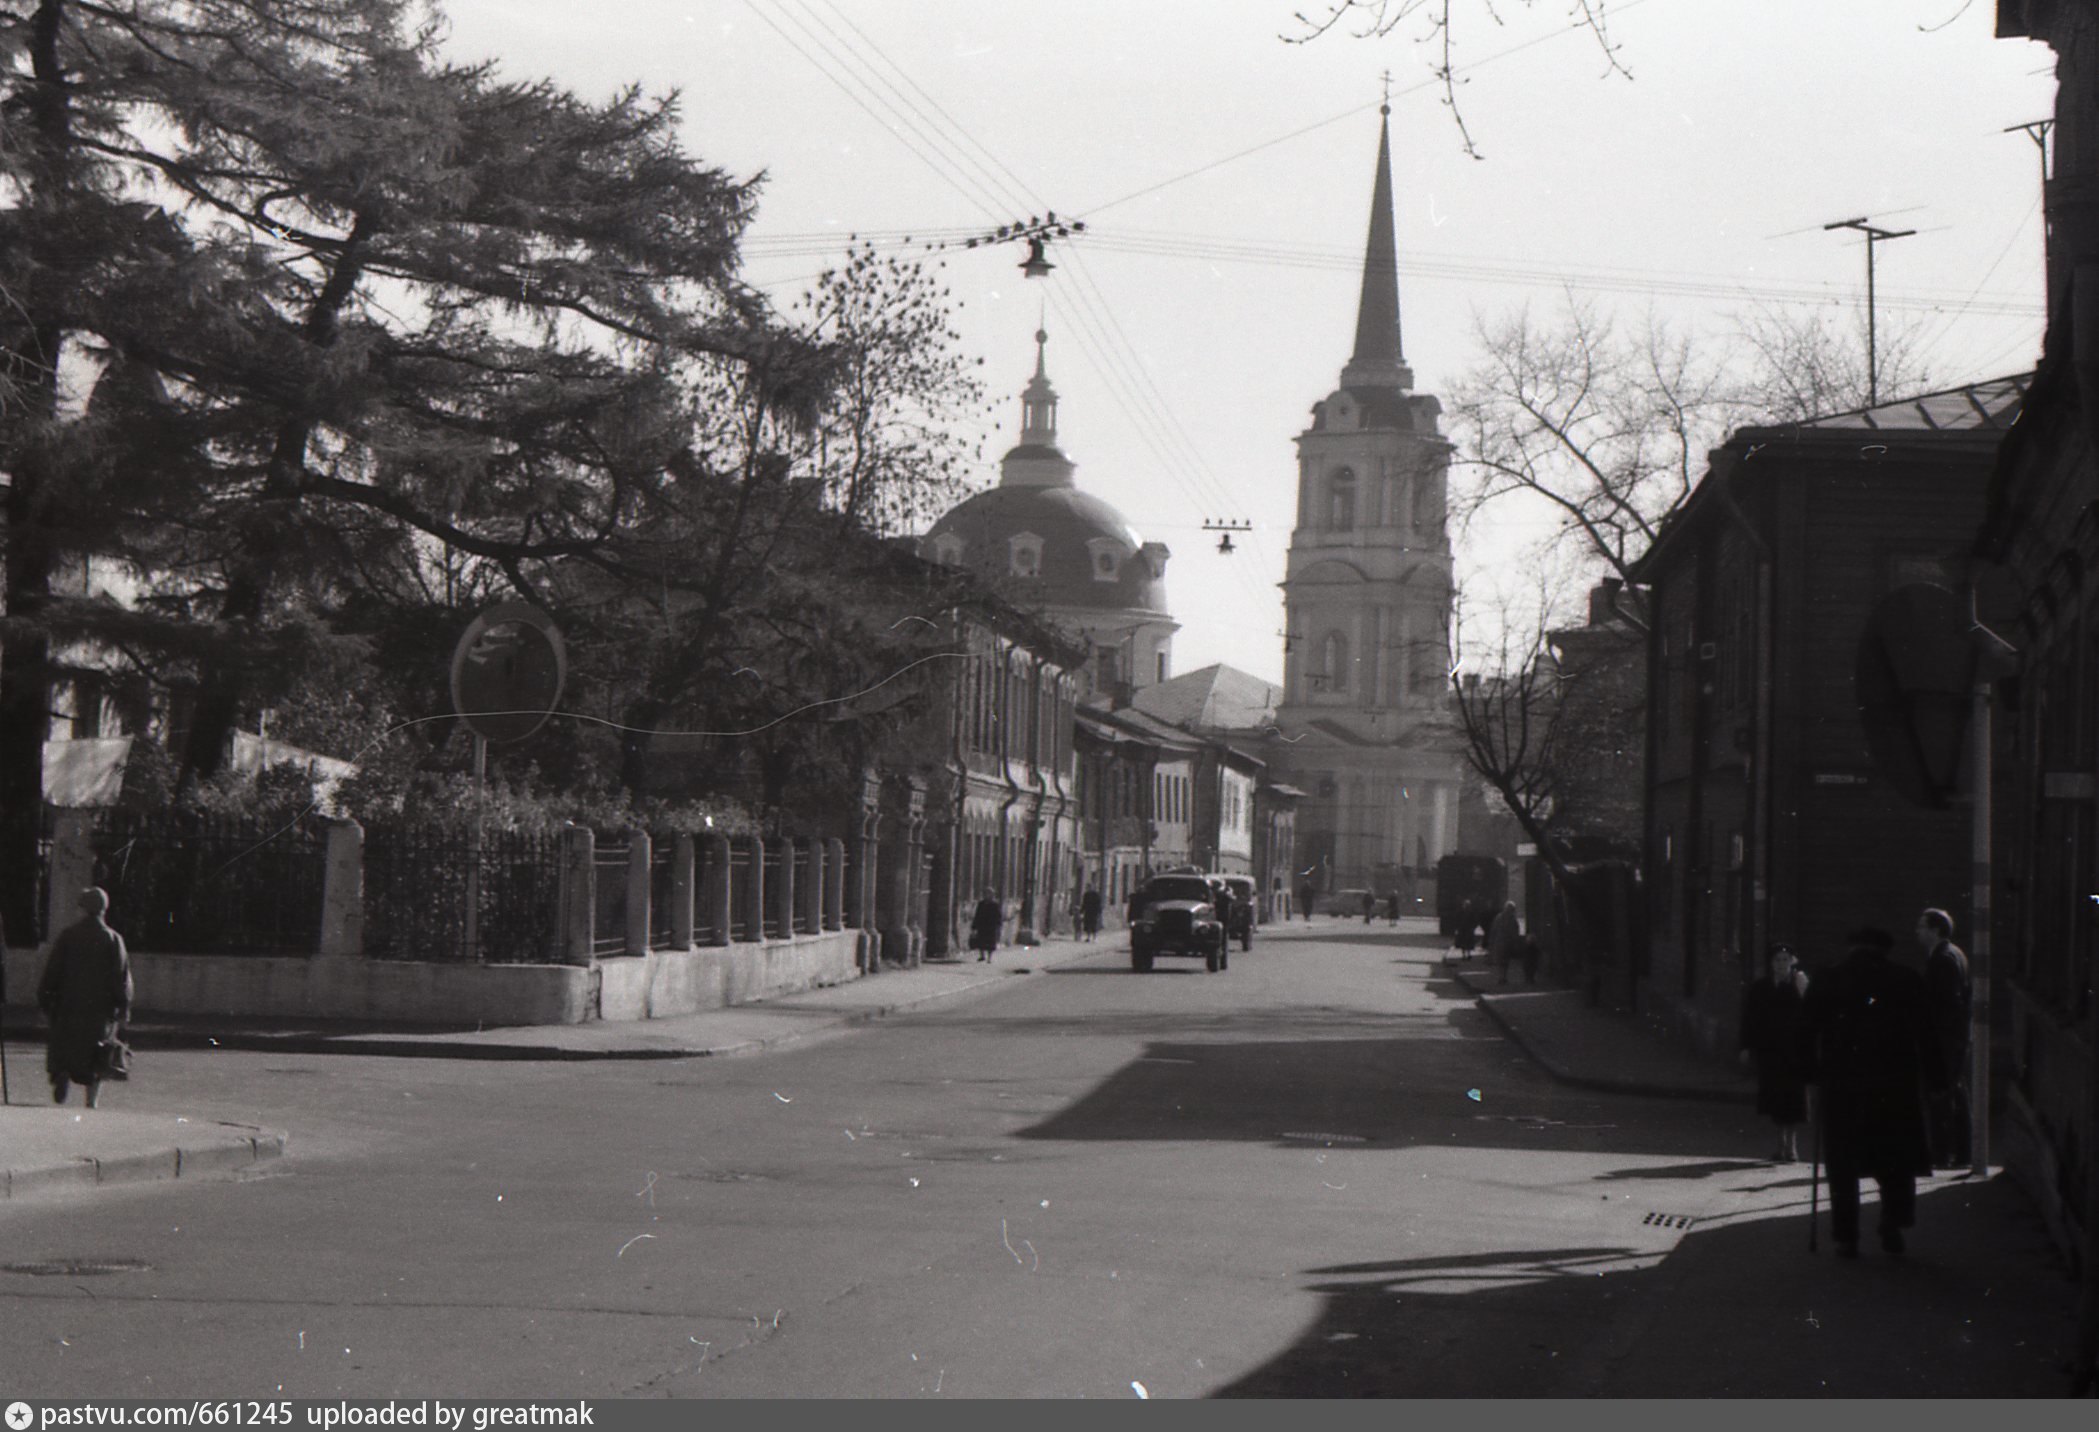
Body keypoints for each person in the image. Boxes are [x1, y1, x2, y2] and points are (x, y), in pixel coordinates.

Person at [1804, 926, 1945, 1257]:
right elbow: (1927, 1034)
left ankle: (1846, 1236)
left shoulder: (1828, 978)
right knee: (1895, 1158)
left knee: (1842, 1163)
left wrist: (1810, 1073)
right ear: (1885, 950)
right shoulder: (1906, 979)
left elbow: (1805, 1030)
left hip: (1842, 1084)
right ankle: (1893, 1223)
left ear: (1851, 947)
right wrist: (1937, 1081)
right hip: (1894, 1085)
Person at [37, 887, 132, 1109]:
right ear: (104, 909)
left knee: (66, 1046)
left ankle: (61, 1073)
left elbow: (53, 971)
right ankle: (92, 1101)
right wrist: (123, 1005)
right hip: (99, 1010)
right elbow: (121, 977)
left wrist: (45, 1000)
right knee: (98, 1054)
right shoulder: (113, 939)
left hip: (68, 1006)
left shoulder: (68, 936)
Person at [1738, 942, 1812, 1162]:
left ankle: (1792, 1145)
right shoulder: (1761, 988)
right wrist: (1745, 1046)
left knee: (1794, 1098)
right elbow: (1749, 1018)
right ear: (1771, 963)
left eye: (1785, 959)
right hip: (1770, 1051)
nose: (1781, 964)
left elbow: (1811, 1012)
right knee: (1776, 1097)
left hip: (1794, 1050)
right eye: (1777, 960)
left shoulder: (1799, 984)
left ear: (1792, 962)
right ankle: (1781, 1144)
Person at [1916, 907, 1972, 1170]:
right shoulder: (1955, 954)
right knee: (1956, 1093)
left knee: (1940, 1096)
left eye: (1922, 926)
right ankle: (1962, 1153)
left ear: (1935, 930)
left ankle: (1941, 1154)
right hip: (1954, 1038)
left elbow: (1948, 1003)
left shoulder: (1942, 959)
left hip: (1944, 1040)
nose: (1918, 931)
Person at [1488, 900, 1524, 985]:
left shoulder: (1500, 917)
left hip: (1502, 942)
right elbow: (1515, 932)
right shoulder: (1510, 919)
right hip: (1505, 942)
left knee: (1502, 960)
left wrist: (1492, 941)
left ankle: (1502, 977)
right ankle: (1503, 977)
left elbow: (1494, 929)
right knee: (1503, 961)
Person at [969, 890, 1003, 963]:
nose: (987, 896)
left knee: (990, 943)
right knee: (981, 941)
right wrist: (974, 926)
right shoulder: (981, 904)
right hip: (982, 925)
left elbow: (998, 915)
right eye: (986, 894)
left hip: (991, 926)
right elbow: (977, 914)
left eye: (989, 894)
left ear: (992, 895)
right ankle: (982, 956)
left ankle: (989, 958)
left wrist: (998, 924)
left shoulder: (995, 905)